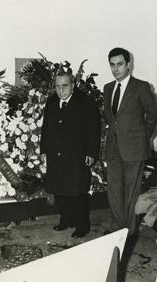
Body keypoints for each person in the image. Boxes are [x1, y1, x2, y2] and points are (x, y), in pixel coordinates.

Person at [103, 47, 157, 239]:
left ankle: (129, 232)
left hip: (134, 149)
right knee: (114, 190)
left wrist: (142, 138)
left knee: (131, 192)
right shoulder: (108, 88)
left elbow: (153, 115)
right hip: (113, 147)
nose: (116, 68)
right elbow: (111, 119)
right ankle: (120, 229)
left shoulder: (141, 87)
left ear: (128, 65)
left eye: (120, 64)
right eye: (112, 65)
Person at [40, 69, 101, 238]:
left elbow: (93, 130)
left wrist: (91, 153)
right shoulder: (52, 101)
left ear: (72, 85)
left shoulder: (85, 102)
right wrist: (44, 150)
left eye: (65, 86)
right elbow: (45, 128)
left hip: (77, 156)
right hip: (56, 155)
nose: (61, 90)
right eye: (58, 87)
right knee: (60, 191)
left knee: (78, 192)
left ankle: (83, 226)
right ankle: (66, 220)